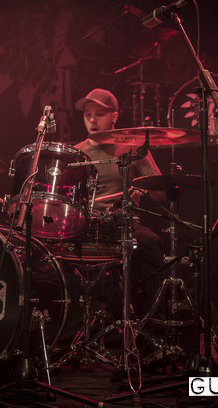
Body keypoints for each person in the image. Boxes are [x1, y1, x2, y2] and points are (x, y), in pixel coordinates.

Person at [73, 88, 165, 319]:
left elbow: (161, 192)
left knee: (150, 242)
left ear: (114, 116)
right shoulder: (76, 154)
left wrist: (142, 190)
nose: (92, 120)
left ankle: (151, 319)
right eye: (87, 114)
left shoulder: (132, 148)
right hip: (87, 226)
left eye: (99, 114)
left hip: (124, 224)